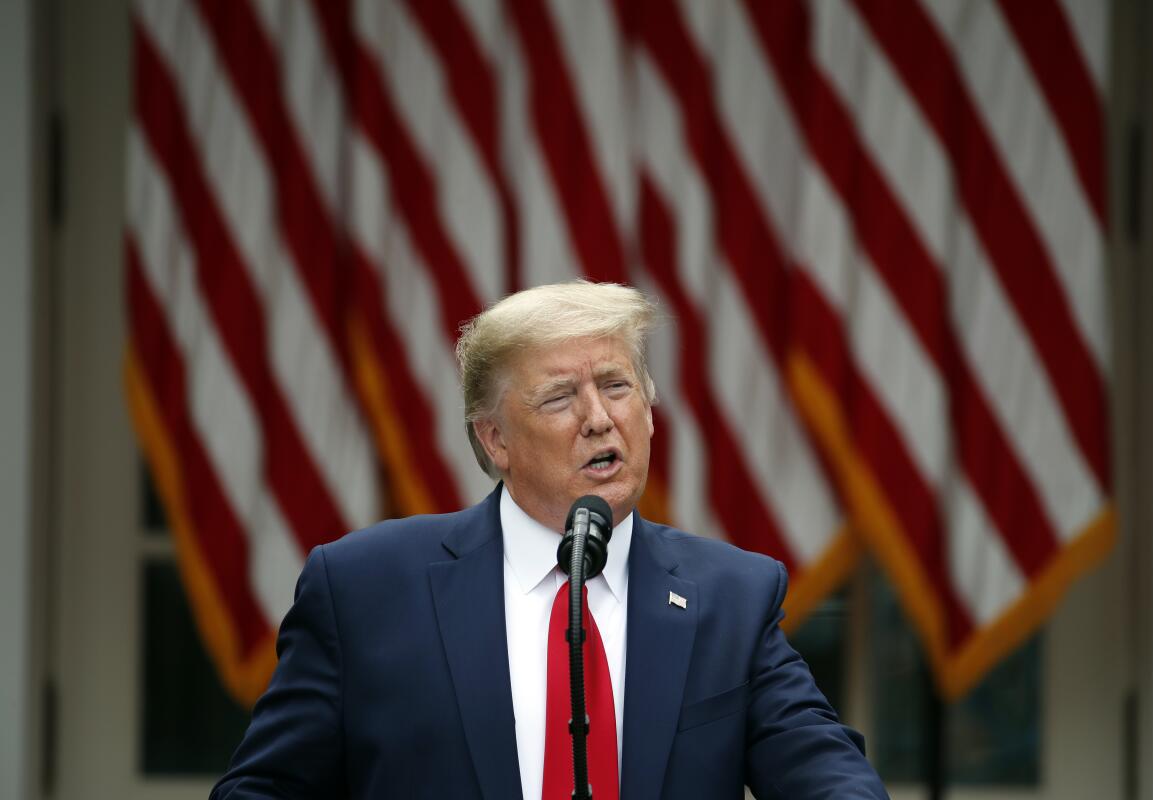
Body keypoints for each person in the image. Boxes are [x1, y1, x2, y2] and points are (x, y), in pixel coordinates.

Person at [211, 281, 888, 799]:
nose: (600, 419)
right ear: (494, 438)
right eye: (561, 397)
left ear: (649, 412)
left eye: (618, 386)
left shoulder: (732, 599)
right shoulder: (363, 590)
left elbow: (831, 779)